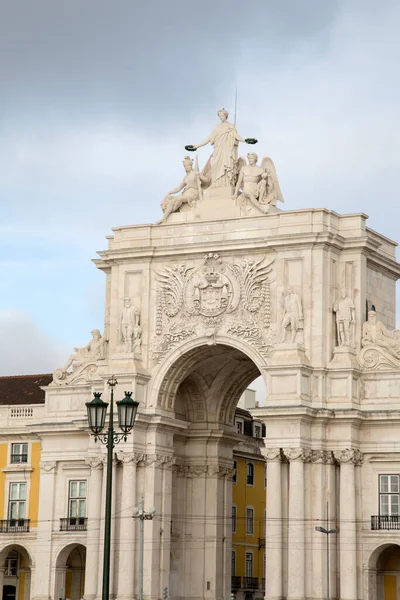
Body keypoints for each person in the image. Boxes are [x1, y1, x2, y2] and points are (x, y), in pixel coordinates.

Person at [188, 109, 254, 188]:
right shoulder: (217, 128)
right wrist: (197, 146)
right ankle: (216, 184)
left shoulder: (230, 127)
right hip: (218, 151)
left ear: (226, 116)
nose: (221, 117)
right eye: (219, 116)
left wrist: (245, 140)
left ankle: (227, 184)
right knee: (216, 167)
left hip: (227, 151)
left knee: (226, 166)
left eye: (222, 115)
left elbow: (236, 136)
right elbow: (209, 139)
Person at [157, 157, 206, 224]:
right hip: (186, 194)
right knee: (173, 200)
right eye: (185, 166)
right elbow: (179, 188)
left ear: (191, 165)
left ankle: (164, 218)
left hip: (193, 193)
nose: (186, 167)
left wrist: (200, 176)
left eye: (188, 165)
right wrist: (169, 192)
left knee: (177, 199)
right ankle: (166, 217)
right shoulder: (186, 177)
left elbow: (207, 180)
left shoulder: (195, 173)